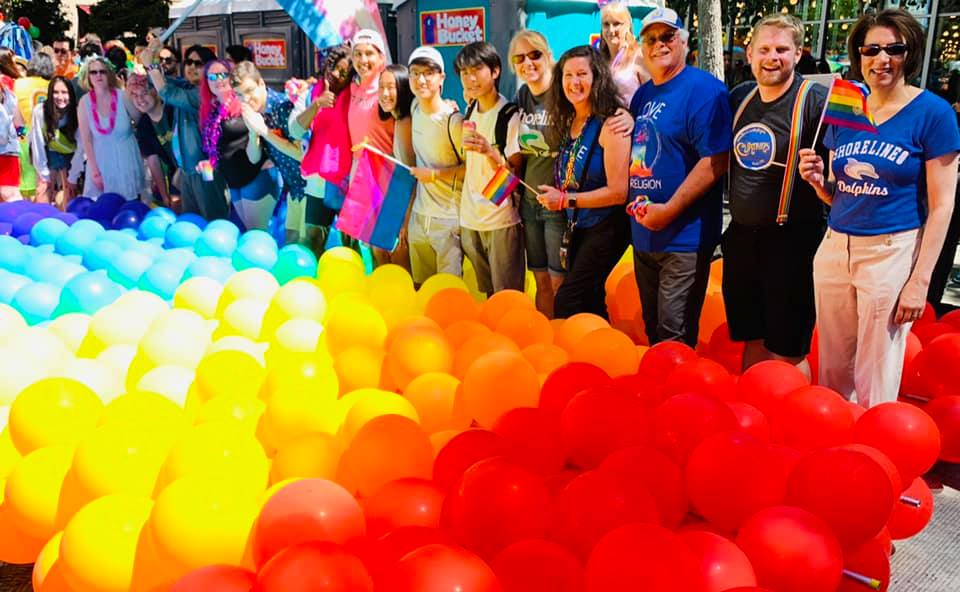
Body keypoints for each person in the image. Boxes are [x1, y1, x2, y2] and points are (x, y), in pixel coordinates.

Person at [798, 9, 960, 407]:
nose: (881, 59)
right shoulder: (849, 107)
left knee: (877, 370)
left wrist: (919, 281)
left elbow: (943, 206)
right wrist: (821, 183)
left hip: (891, 251)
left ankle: (872, 453)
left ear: (911, 53)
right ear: (858, 54)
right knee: (832, 366)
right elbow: (842, 191)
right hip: (836, 246)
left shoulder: (933, 114)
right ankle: (835, 448)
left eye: (894, 49)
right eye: (870, 49)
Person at [723, 14, 828, 379]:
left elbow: (844, 172)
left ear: (798, 54)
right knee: (751, 337)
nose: (773, 57)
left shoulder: (816, 100)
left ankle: (790, 424)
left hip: (793, 241)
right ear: (749, 54)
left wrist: (821, 179)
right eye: (764, 49)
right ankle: (752, 414)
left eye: (782, 49)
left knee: (787, 346)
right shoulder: (739, 97)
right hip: (741, 239)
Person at [625, 8, 732, 347]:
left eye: (667, 37)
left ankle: (680, 399)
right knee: (654, 332)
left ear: (684, 41)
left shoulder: (704, 90)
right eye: (651, 39)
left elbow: (716, 160)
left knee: (674, 338)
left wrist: (669, 209)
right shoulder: (643, 95)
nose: (659, 45)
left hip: (683, 239)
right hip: (645, 237)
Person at [536, 45, 630, 318]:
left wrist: (564, 200)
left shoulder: (612, 123)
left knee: (568, 300)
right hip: (579, 223)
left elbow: (618, 192)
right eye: (567, 75)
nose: (574, 83)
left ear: (597, 78)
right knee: (590, 299)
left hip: (607, 224)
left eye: (581, 74)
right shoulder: (570, 120)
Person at [456, 41, 525, 295]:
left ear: (495, 71)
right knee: (487, 293)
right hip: (470, 217)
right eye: (464, 73)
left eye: (476, 70)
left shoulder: (509, 115)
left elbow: (515, 171)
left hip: (500, 219)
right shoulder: (470, 107)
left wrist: (489, 151)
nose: (470, 78)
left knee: (507, 295)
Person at [510, 30, 564, 317]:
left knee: (559, 281)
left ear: (548, 55)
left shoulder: (563, 93)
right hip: (530, 203)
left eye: (534, 55)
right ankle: (546, 343)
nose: (527, 63)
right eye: (519, 58)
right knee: (540, 279)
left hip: (558, 203)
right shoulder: (521, 96)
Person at [142, 42, 226, 220]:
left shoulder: (204, 95)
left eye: (199, 63)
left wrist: (152, 65)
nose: (192, 67)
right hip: (188, 169)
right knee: (191, 222)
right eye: (188, 62)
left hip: (206, 170)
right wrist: (154, 54)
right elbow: (154, 81)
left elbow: (166, 92)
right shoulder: (185, 86)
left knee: (214, 222)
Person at [405, 45, 465, 286]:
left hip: (448, 221)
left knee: (449, 294)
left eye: (429, 72)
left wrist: (435, 175)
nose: (421, 79)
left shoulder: (454, 120)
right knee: (421, 288)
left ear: (441, 78)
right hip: (419, 218)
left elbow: (471, 171)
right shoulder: (414, 108)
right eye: (415, 72)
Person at [289, 44, 354, 256]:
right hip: (317, 181)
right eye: (334, 67)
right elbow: (295, 131)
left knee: (351, 248)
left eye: (344, 73)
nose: (336, 74)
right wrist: (317, 104)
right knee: (312, 243)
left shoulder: (356, 97)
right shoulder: (309, 95)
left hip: (347, 184)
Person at [230, 61, 306, 238]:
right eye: (239, 95)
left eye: (249, 91)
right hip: (294, 190)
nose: (246, 99)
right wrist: (253, 132)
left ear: (261, 84)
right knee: (290, 245)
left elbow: (302, 154)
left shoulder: (284, 106)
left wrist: (264, 131)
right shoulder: (255, 114)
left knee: (306, 249)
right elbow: (254, 158)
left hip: (311, 189)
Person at [200, 59, 277, 230]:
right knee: (250, 231)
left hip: (256, 175)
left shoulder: (245, 102)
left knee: (257, 234)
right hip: (234, 180)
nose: (218, 79)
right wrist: (210, 162)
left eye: (223, 74)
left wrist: (272, 157)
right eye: (212, 76)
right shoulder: (211, 109)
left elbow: (268, 126)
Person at [345, 29, 397, 262]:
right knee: (368, 245)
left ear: (382, 58)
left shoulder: (388, 91)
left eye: (369, 54)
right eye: (357, 54)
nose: (363, 60)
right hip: (360, 172)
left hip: (385, 173)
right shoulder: (354, 89)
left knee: (387, 243)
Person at [75, 56, 145, 200]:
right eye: (93, 72)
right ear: (88, 77)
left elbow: (138, 119)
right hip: (101, 162)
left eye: (103, 71)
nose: (98, 75)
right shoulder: (84, 102)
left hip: (126, 160)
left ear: (109, 74)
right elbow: (86, 140)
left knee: (129, 205)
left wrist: (138, 95)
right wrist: (95, 172)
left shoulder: (123, 96)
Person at [377, 63, 415, 269]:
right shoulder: (398, 120)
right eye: (381, 87)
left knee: (399, 261)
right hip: (394, 197)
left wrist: (405, 222)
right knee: (379, 251)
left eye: (391, 87)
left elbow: (411, 176)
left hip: (406, 205)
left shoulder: (406, 122)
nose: (384, 93)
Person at [127, 73, 177, 208]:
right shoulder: (144, 126)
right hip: (176, 175)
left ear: (155, 92)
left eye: (144, 93)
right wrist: (165, 195)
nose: (140, 99)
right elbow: (153, 162)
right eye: (135, 95)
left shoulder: (173, 110)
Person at [30, 76, 78, 207]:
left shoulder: (77, 111)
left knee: (71, 193)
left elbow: (81, 147)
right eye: (55, 92)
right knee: (43, 191)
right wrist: (43, 174)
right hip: (48, 152)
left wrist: (74, 175)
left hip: (71, 154)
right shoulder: (40, 111)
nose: (60, 97)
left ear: (71, 94)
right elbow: (37, 142)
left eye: (64, 92)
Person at [15, 52, 53, 200]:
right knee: (45, 188)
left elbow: (17, 120)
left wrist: (23, 138)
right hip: (49, 141)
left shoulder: (18, 84)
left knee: (24, 193)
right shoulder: (53, 86)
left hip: (25, 140)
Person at [599, 1, 648, 105]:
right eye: (606, 24)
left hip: (633, 119)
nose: (611, 30)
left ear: (627, 26)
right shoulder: (599, 60)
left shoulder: (639, 56)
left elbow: (652, 96)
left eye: (617, 24)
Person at [0, 79, 23, 201]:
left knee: (10, 193)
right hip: (10, 151)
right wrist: (20, 140)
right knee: (10, 193)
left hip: (7, 153)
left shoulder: (9, 95)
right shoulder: (10, 95)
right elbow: (20, 125)